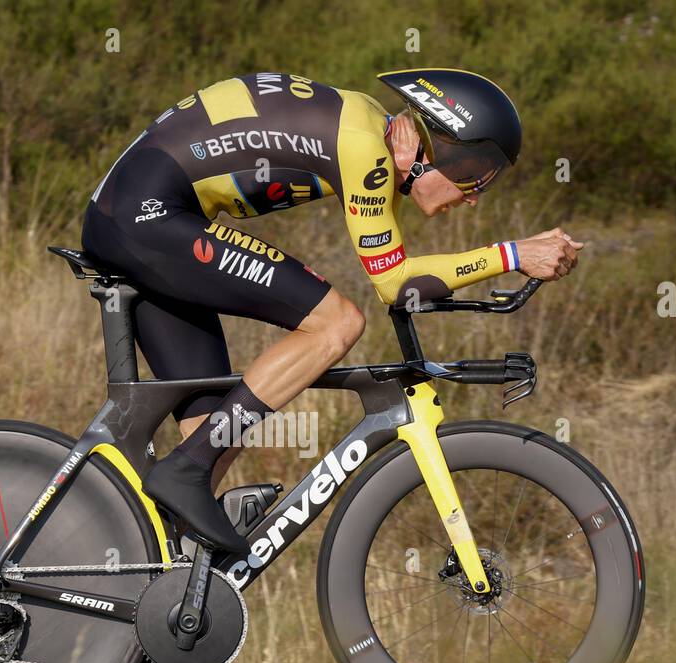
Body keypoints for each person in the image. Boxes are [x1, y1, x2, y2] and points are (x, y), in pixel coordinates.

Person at [81, 69, 582, 552]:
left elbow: (397, 270)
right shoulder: (368, 151)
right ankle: (183, 473)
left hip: (139, 216)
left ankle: (158, 583)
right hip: (146, 219)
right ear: (434, 149)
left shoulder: (369, 125)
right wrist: (512, 256)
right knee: (337, 323)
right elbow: (395, 285)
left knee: (216, 429)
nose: (472, 198)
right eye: (473, 177)